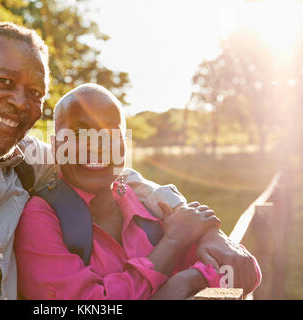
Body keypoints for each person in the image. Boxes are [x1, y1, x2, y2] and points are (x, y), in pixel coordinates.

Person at [0, 22, 258, 300]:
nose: (18, 101)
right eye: (3, 82)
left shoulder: (29, 159)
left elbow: (119, 174)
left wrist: (210, 234)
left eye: (34, 92)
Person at [14, 84, 261, 299]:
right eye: (79, 133)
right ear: (57, 146)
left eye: (110, 132)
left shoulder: (144, 202)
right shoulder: (40, 217)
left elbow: (245, 270)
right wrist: (173, 246)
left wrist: (191, 279)